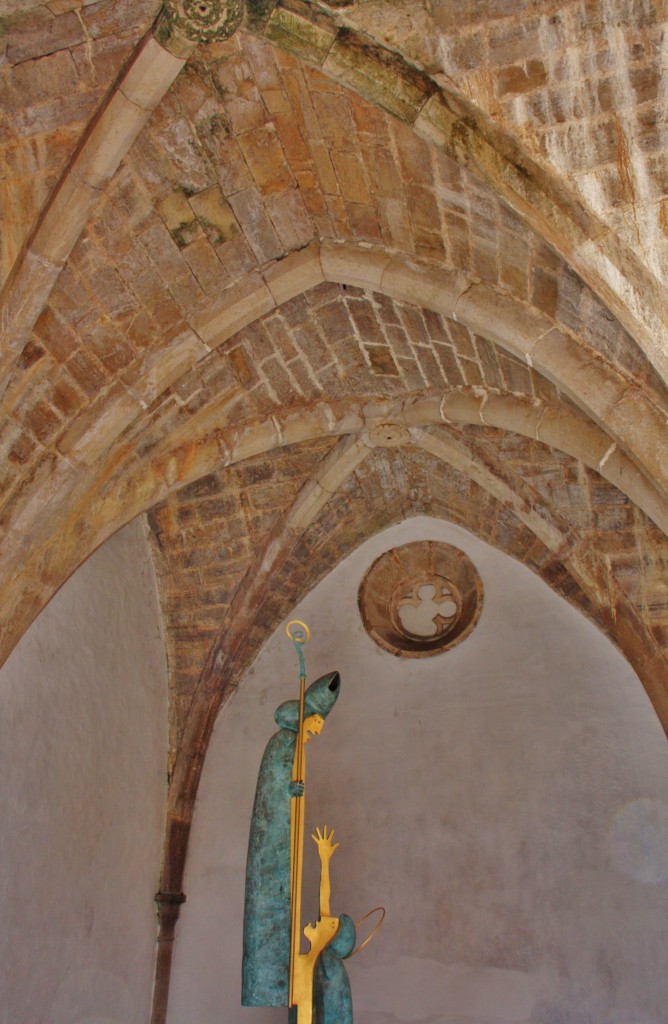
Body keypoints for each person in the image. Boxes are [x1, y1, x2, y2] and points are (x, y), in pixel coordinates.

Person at [242, 671, 340, 1008]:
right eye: (314, 728)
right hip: (274, 842)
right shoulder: (282, 743)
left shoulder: (327, 965)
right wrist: (287, 790)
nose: (313, 735)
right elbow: (271, 792)